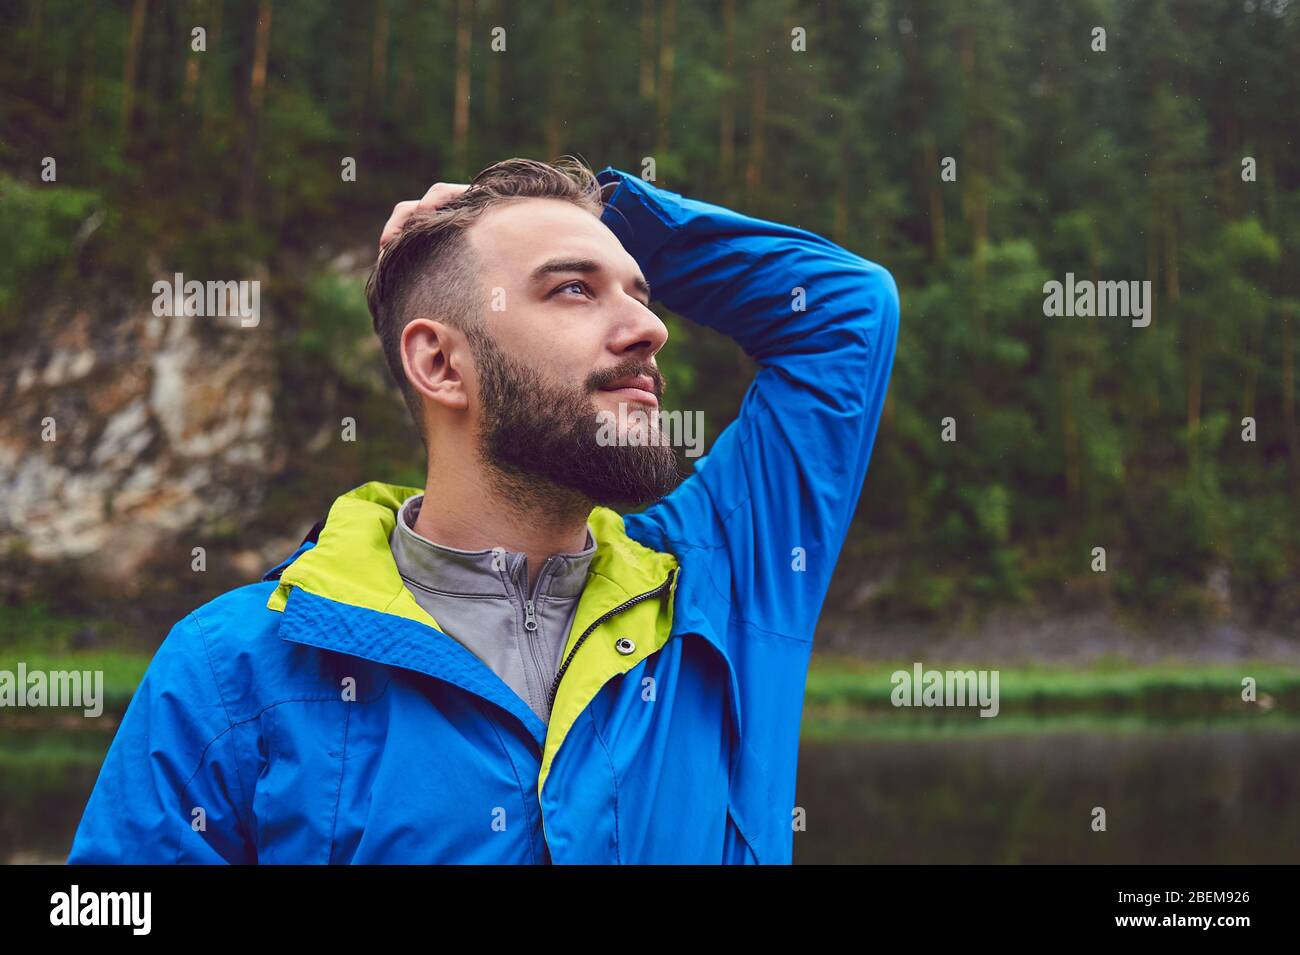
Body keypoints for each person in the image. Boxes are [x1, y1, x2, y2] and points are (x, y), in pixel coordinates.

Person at [67, 157, 900, 864]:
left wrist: (609, 215)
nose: (649, 327)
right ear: (439, 362)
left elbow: (843, 309)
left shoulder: (723, 582)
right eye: (574, 289)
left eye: (641, 292)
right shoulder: (235, 665)